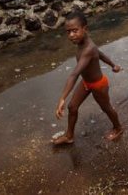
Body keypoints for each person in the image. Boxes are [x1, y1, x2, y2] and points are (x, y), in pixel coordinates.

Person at [52, 11, 123, 145]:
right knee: (72, 107)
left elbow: (74, 74)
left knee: (106, 108)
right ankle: (69, 136)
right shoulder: (84, 42)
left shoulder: (88, 49)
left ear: (85, 29)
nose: (71, 35)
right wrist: (113, 65)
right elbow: (100, 53)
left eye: (74, 31)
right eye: (68, 32)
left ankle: (118, 128)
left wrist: (62, 98)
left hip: (98, 85)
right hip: (86, 82)